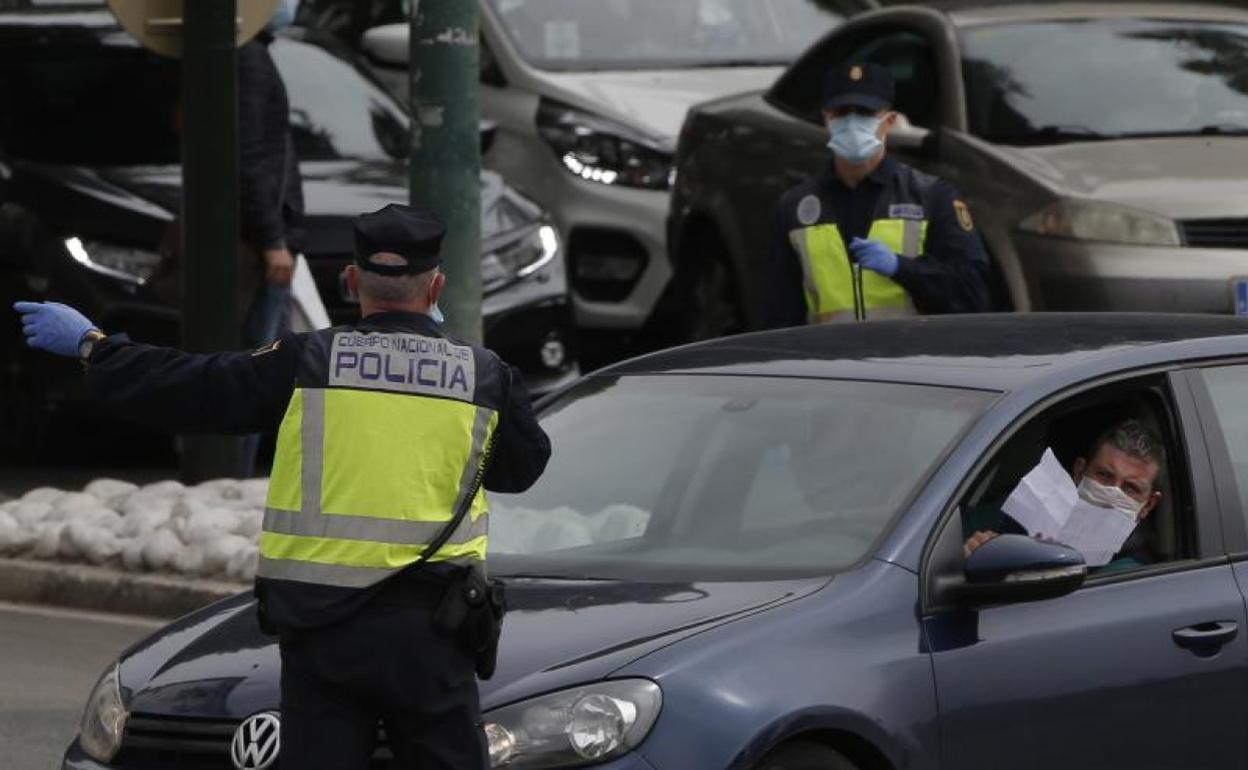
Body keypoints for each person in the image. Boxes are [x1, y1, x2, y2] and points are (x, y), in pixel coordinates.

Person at [14, 203, 551, 770]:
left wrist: (94, 347)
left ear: (350, 279)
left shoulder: (307, 360)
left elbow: (193, 389)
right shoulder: (485, 375)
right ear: (436, 285)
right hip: (434, 635)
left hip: (323, 633)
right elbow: (523, 467)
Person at [761, 62, 990, 327]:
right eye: (841, 112)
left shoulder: (931, 198)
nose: (852, 121)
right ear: (826, 119)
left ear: (889, 121)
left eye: (864, 112)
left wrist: (901, 268)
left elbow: (973, 293)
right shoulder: (795, 209)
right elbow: (778, 315)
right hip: (831, 364)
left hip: (909, 361)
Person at [963, 419, 1164, 574]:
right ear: (1079, 472)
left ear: (1148, 504)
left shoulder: (1130, 573)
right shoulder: (1019, 513)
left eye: (1130, 488)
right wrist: (976, 550)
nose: (1113, 492)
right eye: (1104, 475)